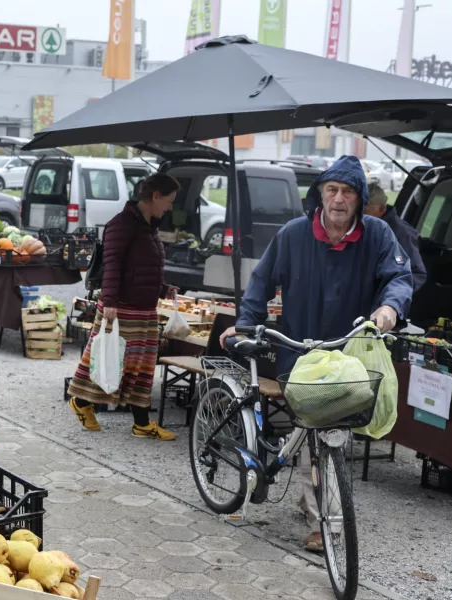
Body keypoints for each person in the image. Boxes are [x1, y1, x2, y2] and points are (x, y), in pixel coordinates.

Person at [219, 155, 413, 552]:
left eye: (348, 192)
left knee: (331, 435)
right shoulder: (293, 235)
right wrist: (243, 325)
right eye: (332, 190)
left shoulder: (377, 234)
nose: (339, 199)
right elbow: (260, 282)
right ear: (320, 194)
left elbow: (399, 276)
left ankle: (321, 509)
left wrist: (390, 307)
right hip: (299, 352)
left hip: (350, 354)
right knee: (316, 431)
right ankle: (323, 520)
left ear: (359, 199)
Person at [68, 173, 182, 440]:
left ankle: (141, 424)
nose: (170, 207)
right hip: (122, 308)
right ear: (155, 196)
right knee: (110, 360)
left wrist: (162, 289)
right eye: (170, 200)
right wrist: (108, 300)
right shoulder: (122, 224)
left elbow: (141, 267)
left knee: (140, 367)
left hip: (144, 308)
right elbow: (113, 264)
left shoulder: (148, 226)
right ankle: (83, 402)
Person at [365, 183, 426, 291]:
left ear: (382, 209)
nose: (358, 216)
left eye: (365, 211)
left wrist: (390, 299)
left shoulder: (401, 234)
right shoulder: (354, 228)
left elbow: (417, 274)